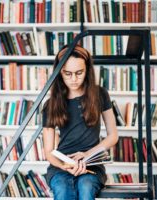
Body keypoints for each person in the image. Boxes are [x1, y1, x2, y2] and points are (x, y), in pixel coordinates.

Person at [42, 45, 118, 200]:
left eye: (79, 73)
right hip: (61, 166)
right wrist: (65, 166)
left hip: (91, 164)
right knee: (62, 190)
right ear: (59, 72)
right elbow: (48, 151)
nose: (74, 79)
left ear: (87, 71)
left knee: (86, 187)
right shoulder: (50, 104)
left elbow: (113, 136)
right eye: (67, 74)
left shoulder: (100, 94)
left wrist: (86, 155)